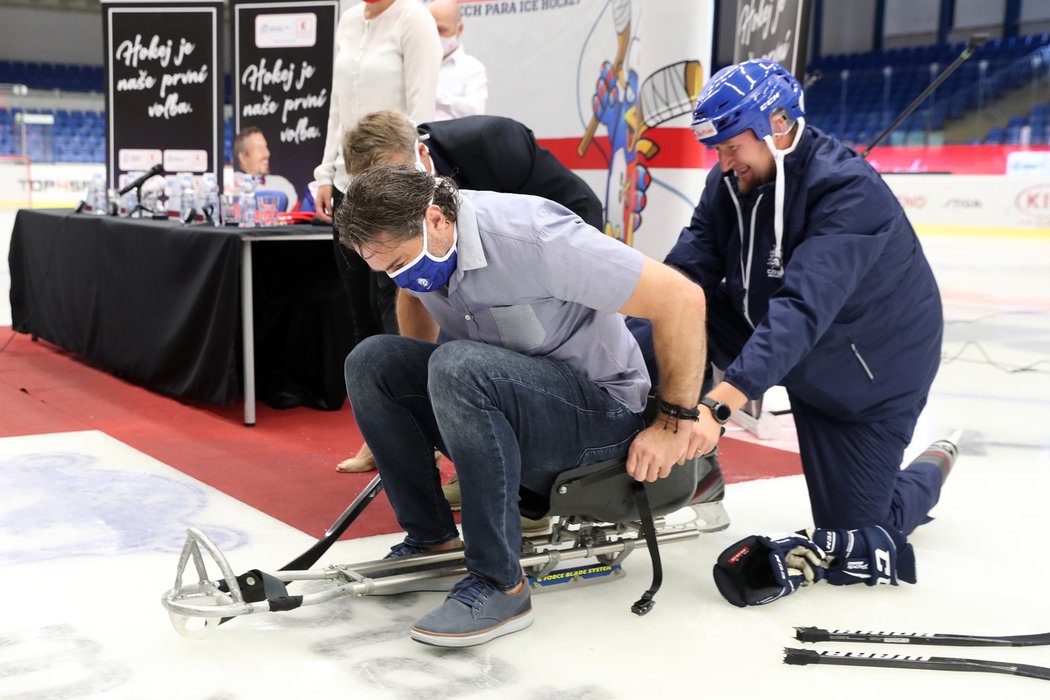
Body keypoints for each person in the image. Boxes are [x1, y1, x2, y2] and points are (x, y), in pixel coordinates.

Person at [336, 165, 714, 646]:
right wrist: (413, 412)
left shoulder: (536, 238)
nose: (399, 276)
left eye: (400, 263)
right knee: (373, 360)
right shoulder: (419, 246)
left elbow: (681, 298)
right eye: (386, 270)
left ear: (435, 219)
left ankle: (501, 583)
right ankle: (431, 539)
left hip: (599, 413)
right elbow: (413, 295)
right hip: (510, 396)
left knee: (457, 365)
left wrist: (674, 421)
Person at [655, 59, 957, 606]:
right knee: (669, 313)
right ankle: (643, 462)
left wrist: (718, 407)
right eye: (716, 149)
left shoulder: (848, 191)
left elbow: (802, 310)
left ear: (776, 124)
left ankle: (930, 468)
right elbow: (685, 274)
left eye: (731, 146)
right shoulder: (732, 178)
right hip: (780, 341)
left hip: (866, 382)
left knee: (857, 534)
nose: (723, 163)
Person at [334, 109, 604, 475]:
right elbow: (399, 301)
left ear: (422, 156)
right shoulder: (387, 219)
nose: (391, 203)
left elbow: (583, 207)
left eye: (399, 179)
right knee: (445, 357)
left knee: (491, 350)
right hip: (472, 281)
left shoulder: (492, 143)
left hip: (540, 268)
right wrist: (413, 406)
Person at [428, 0, 488, 120]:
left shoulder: (472, 68)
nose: (434, 35)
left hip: (451, 138)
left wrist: (433, 93)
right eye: (430, 28)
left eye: (442, 30)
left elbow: (476, 112)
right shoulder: (410, 62)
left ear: (459, 29)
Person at [233, 126, 298, 211]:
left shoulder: (283, 184)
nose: (267, 153)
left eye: (266, 147)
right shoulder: (231, 185)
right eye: (259, 148)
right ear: (243, 158)